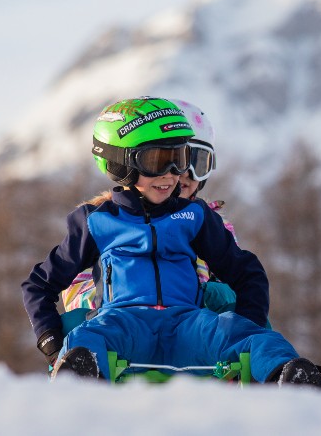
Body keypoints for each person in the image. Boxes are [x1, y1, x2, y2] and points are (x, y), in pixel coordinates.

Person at [21, 97, 321, 386]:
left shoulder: (195, 216)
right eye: (157, 161)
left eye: (178, 159)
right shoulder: (97, 221)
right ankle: (79, 373)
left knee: (251, 337)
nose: (172, 174)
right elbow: (40, 284)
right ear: (120, 162)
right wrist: (51, 340)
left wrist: (247, 323)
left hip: (187, 325)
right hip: (124, 324)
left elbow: (246, 272)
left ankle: (287, 374)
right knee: (87, 337)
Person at [59, 99, 238, 318]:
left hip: (195, 330)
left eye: (196, 163)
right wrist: (110, 297)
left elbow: (238, 281)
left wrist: (217, 293)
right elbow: (73, 287)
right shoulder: (107, 221)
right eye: (161, 159)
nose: (179, 173)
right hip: (125, 328)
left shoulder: (212, 225)